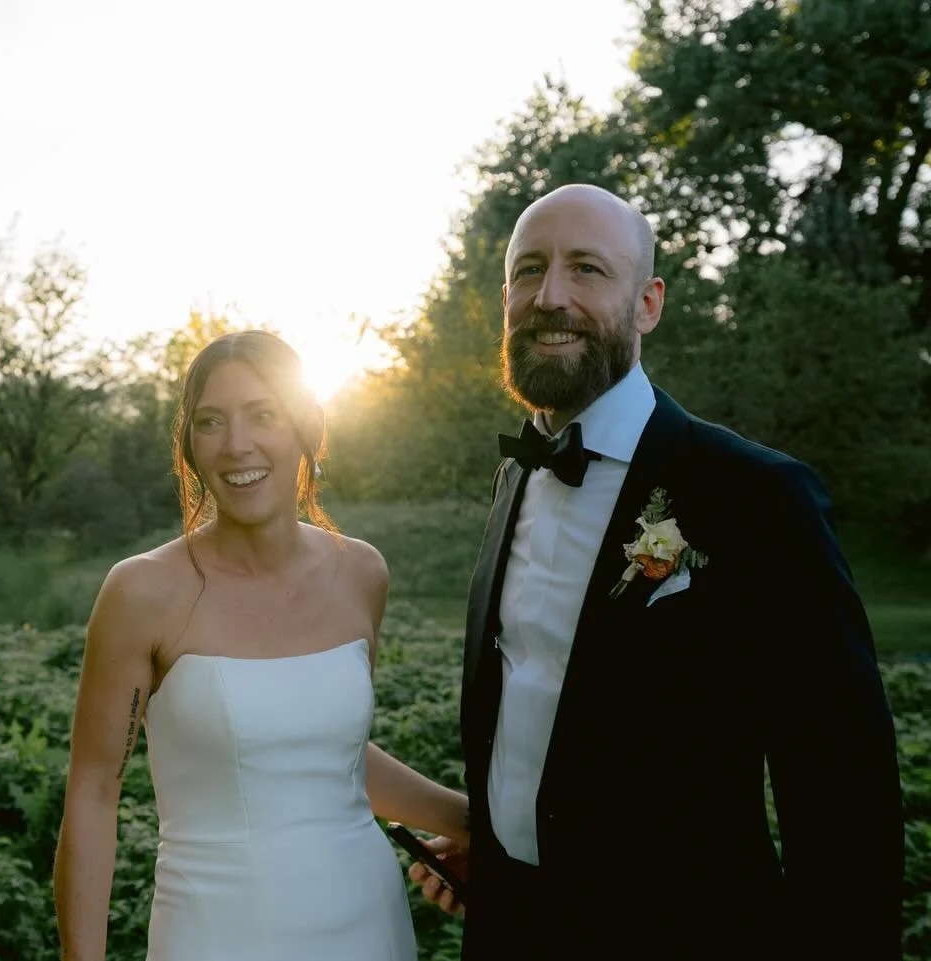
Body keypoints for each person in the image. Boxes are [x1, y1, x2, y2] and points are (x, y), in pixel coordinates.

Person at [407, 183, 906, 959]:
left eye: (587, 270)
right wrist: (504, 855)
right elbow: (540, 707)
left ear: (648, 304)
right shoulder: (516, 477)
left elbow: (842, 789)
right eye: (530, 270)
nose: (551, 296)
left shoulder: (754, 495)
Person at [53, 330, 470, 961]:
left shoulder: (360, 573)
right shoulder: (141, 592)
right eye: (211, 422)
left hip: (367, 922)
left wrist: (477, 830)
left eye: (263, 415)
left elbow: (334, 754)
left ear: (305, 426)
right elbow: (92, 796)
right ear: (190, 446)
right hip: (216, 929)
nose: (236, 444)